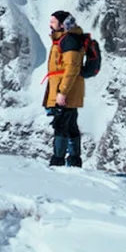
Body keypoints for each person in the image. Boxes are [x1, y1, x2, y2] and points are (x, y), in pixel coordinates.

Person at [43, 10, 85, 167]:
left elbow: (72, 68)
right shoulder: (65, 39)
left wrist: (62, 92)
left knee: (61, 124)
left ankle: (58, 160)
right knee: (70, 123)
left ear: (62, 24)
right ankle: (74, 160)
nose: (50, 24)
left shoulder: (69, 41)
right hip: (66, 88)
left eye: (53, 22)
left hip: (66, 90)